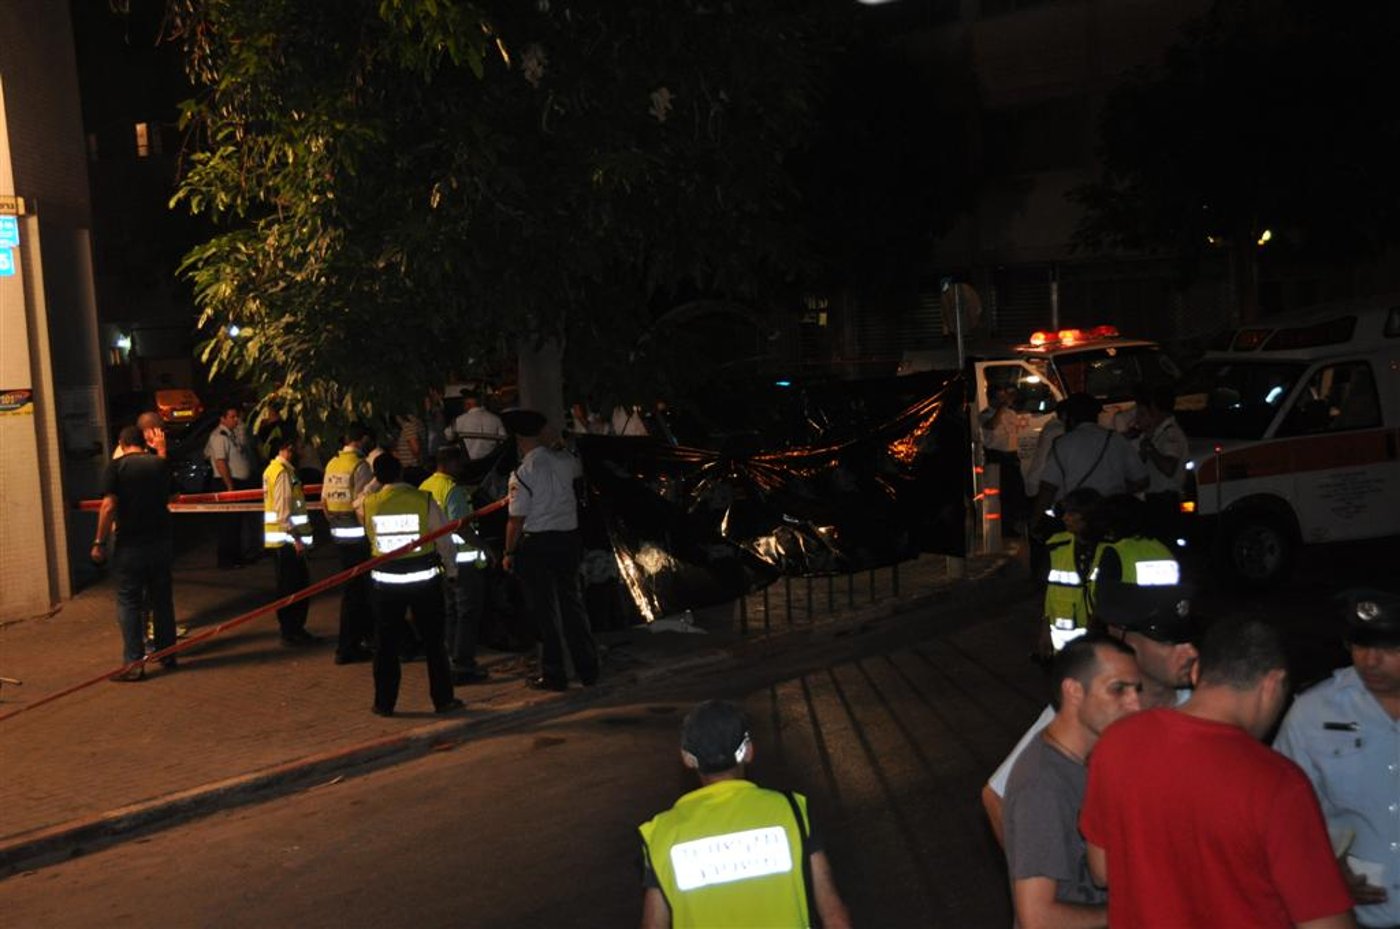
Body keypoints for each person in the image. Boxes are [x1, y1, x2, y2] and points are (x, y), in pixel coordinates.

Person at [1079, 618, 1356, 929]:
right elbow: (1324, 922)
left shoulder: (1116, 742)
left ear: (1196, 672)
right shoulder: (1278, 783)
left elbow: (1102, 870)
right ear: (1272, 684)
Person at [982, 581, 1199, 847]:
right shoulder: (1087, 709)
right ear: (1124, 638)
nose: (1189, 652)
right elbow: (996, 797)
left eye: (1189, 639)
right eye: (1169, 641)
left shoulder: (1205, 710)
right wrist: (1041, 868)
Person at [637, 700, 852, 929]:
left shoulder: (661, 833)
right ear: (748, 751)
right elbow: (834, 917)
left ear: (687, 758)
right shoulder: (792, 810)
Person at [1275, 589, 1400, 928]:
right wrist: (1324, 872)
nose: (1370, 661)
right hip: (1354, 918)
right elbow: (1281, 816)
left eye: (1388, 648)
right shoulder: (1313, 712)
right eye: (1360, 645)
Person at [1002, 635, 1141, 929]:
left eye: (1136, 690)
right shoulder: (1042, 786)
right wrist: (1124, 914)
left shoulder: (1100, 758)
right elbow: (1037, 917)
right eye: (1118, 689)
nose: (1135, 705)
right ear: (1074, 691)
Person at [502, 409, 600, 691]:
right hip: (568, 539)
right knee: (573, 605)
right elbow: (577, 471)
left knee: (545, 612)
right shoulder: (566, 460)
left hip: (538, 545)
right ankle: (588, 669)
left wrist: (508, 552)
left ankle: (554, 673)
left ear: (519, 438)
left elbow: (516, 519)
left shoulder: (522, 473)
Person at [360, 453, 463, 717]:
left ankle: (384, 704)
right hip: (424, 582)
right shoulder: (423, 500)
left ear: (377, 477)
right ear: (401, 472)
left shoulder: (370, 503)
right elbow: (444, 540)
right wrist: (452, 571)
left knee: (386, 645)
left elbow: (362, 508)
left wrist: (376, 481)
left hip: (386, 585)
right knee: (434, 643)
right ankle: (443, 700)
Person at [92, 426, 179, 680]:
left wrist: (99, 542)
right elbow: (174, 495)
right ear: (143, 442)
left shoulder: (116, 468)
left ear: (121, 443)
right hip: (161, 543)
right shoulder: (160, 464)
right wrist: (161, 453)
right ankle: (168, 654)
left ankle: (134, 664)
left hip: (131, 545)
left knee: (129, 602)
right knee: (162, 600)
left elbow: (108, 506)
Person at [420, 445, 491, 685]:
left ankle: (451, 660)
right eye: (460, 463)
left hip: (440, 559)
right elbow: (460, 526)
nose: (462, 468)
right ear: (450, 463)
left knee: (451, 612)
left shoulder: (425, 486)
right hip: (462, 562)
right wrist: (484, 546)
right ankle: (463, 665)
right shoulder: (452, 489)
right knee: (467, 613)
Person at [1034, 393, 1147, 514]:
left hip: (1078, 514)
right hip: (1112, 513)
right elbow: (1141, 481)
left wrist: (1037, 518)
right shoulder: (1116, 439)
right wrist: (1115, 491)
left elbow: (1048, 488)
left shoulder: (1062, 443)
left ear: (1070, 418)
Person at [322, 425, 377, 665]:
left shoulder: (332, 464)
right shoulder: (360, 466)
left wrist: (335, 524)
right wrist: (371, 535)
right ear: (362, 439)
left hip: (339, 535)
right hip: (358, 537)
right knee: (358, 593)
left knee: (354, 591)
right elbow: (362, 504)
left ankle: (358, 641)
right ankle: (349, 647)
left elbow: (324, 502)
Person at [263, 432, 318, 646]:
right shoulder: (282, 473)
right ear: (288, 448)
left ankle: (292, 630)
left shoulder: (275, 470)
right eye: (299, 447)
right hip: (288, 542)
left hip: (283, 540)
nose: (302, 451)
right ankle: (292, 631)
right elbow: (283, 511)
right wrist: (296, 539)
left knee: (288, 586)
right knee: (294, 588)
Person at [1039, 488, 1104, 656]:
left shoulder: (1109, 549)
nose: (1065, 518)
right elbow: (1048, 593)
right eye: (1066, 512)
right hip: (1064, 644)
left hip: (1101, 641)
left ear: (1089, 516)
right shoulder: (1056, 545)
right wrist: (1045, 631)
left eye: (1072, 513)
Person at [1133, 385, 1188, 547]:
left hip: (1164, 502)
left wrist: (1150, 449)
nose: (1137, 419)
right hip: (1153, 501)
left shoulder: (1171, 434)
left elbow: (1169, 468)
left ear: (1155, 410)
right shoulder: (1152, 435)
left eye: (1142, 413)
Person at [206, 405, 258, 568]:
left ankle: (236, 557)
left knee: (236, 523)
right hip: (227, 483)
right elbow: (220, 462)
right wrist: (229, 486)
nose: (236, 420)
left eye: (237, 417)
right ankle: (227, 560)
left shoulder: (231, 435)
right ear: (223, 419)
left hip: (237, 482)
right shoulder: (219, 436)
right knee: (228, 524)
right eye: (232, 417)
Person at [980, 384, 1028, 529]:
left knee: (1016, 491)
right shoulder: (985, 414)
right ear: (992, 399)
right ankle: (1002, 525)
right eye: (1000, 397)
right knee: (1001, 492)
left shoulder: (1011, 413)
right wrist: (1001, 408)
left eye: (1004, 397)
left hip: (1011, 456)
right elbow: (991, 425)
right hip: (996, 456)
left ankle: (1015, 523)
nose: (1004, 400)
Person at [447, 388, 507, 461]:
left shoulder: (460, 420)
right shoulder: (496, 419)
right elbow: (503, 440)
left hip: (469, 463)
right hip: (491, 462)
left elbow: (448, 436)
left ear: (468, 405)